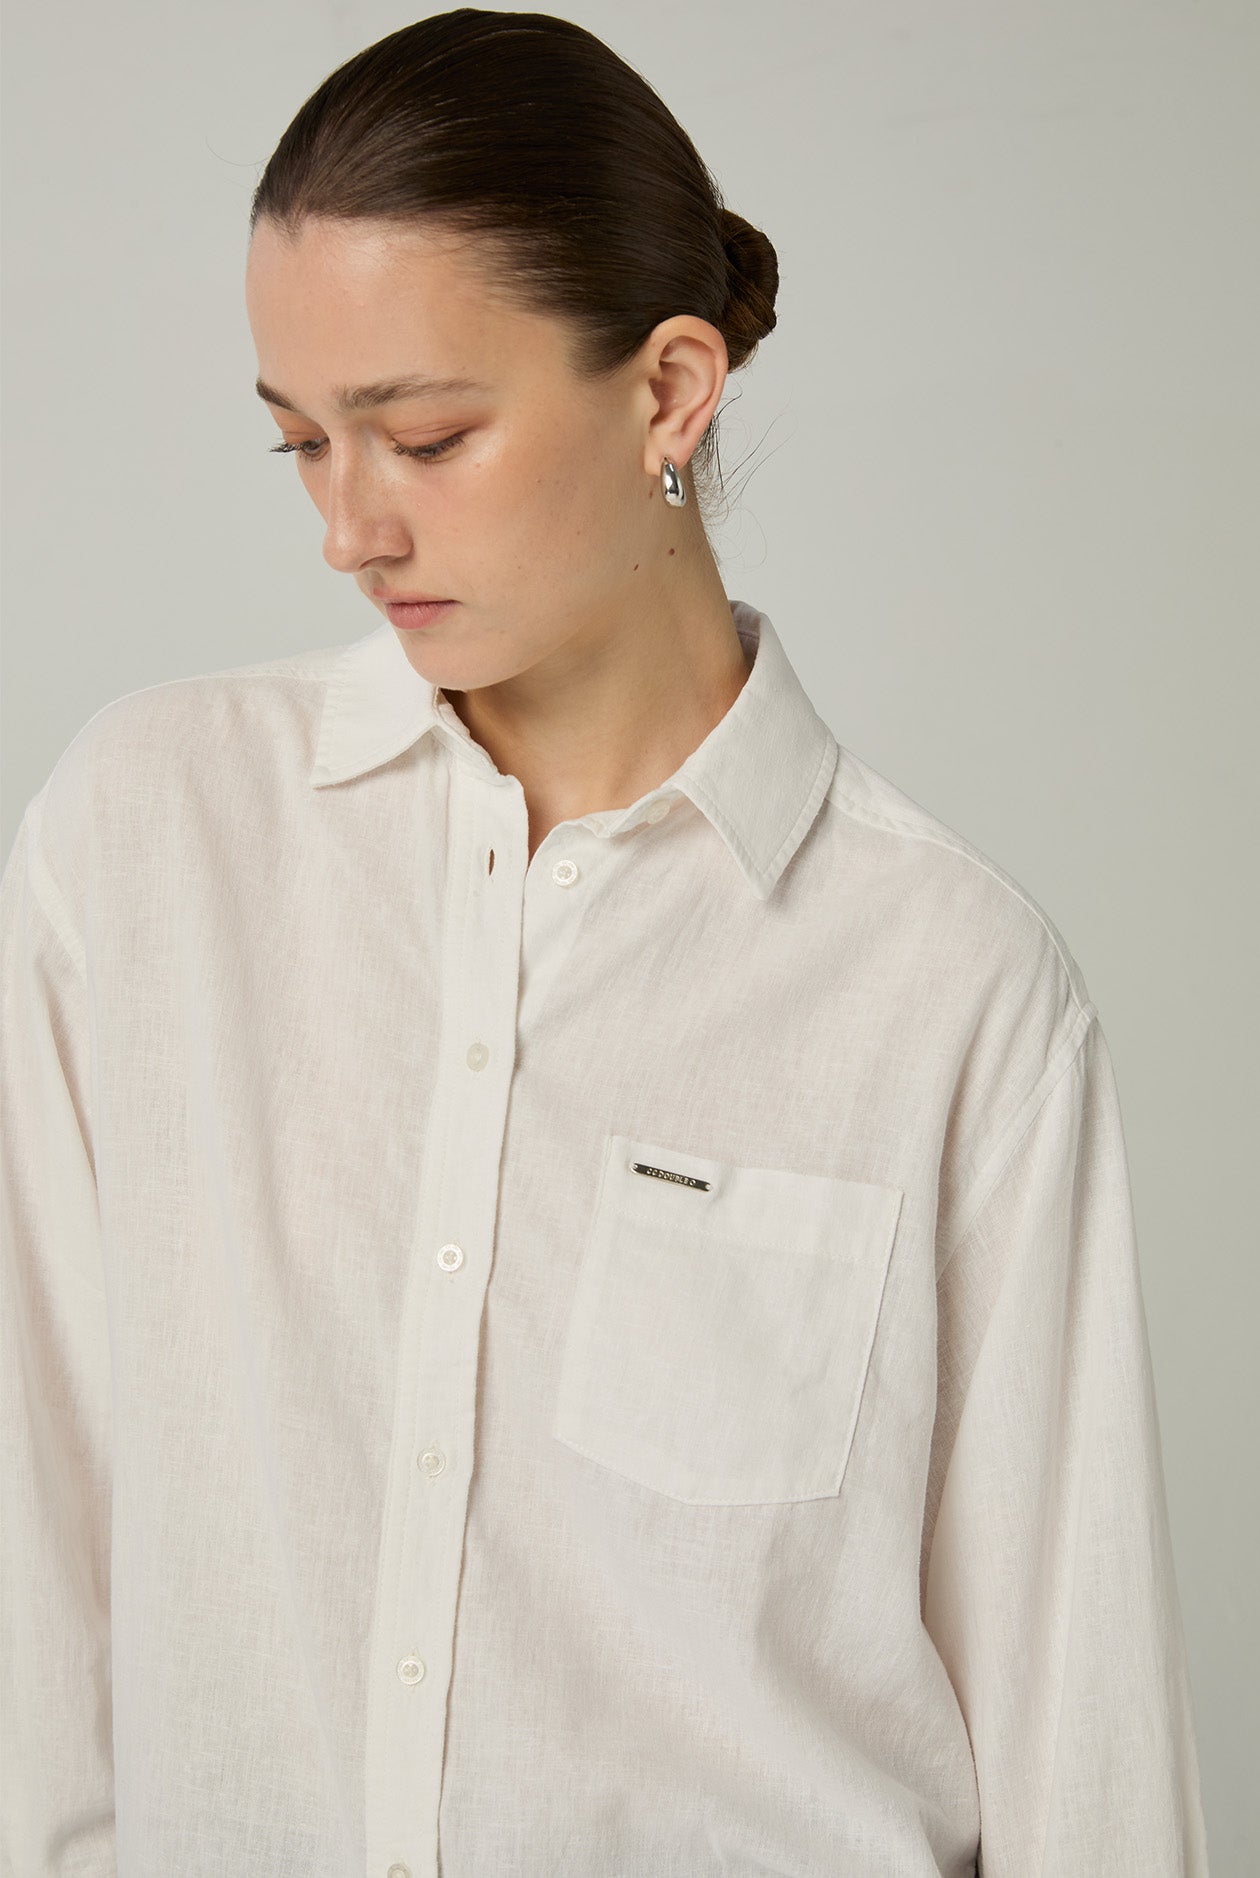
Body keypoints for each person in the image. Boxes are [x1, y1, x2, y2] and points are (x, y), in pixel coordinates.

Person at [0, 10, 1209, 1875]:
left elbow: (1084, 1725)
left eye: (424, 435)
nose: (348, 526)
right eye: (300, 442)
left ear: (670, 391)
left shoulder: (948, 984)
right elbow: (40, 1578)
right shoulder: (146, 840)